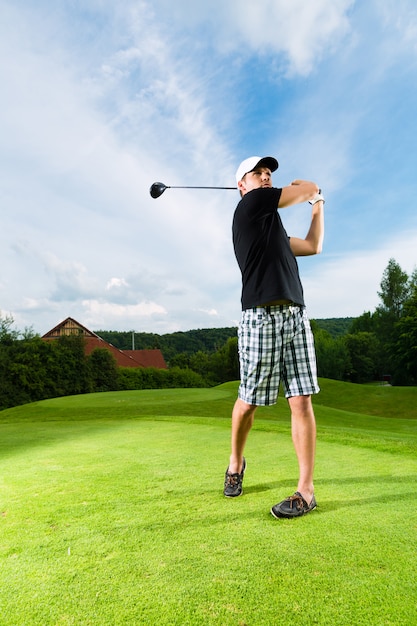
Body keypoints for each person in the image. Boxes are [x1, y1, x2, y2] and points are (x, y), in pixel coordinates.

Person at [223, 155, 324, 519]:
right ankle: (236, 463)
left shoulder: (275, 230)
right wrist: (310, 188)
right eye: (259, 174)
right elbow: (307, 188)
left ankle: (306, 491)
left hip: (295, 316)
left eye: (269, 174)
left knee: (301, 401)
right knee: (249, 402)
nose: (266, 178)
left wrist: (318, 207)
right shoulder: (249, 206)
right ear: (242, 185)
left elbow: (312, 246)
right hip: (260, 318)